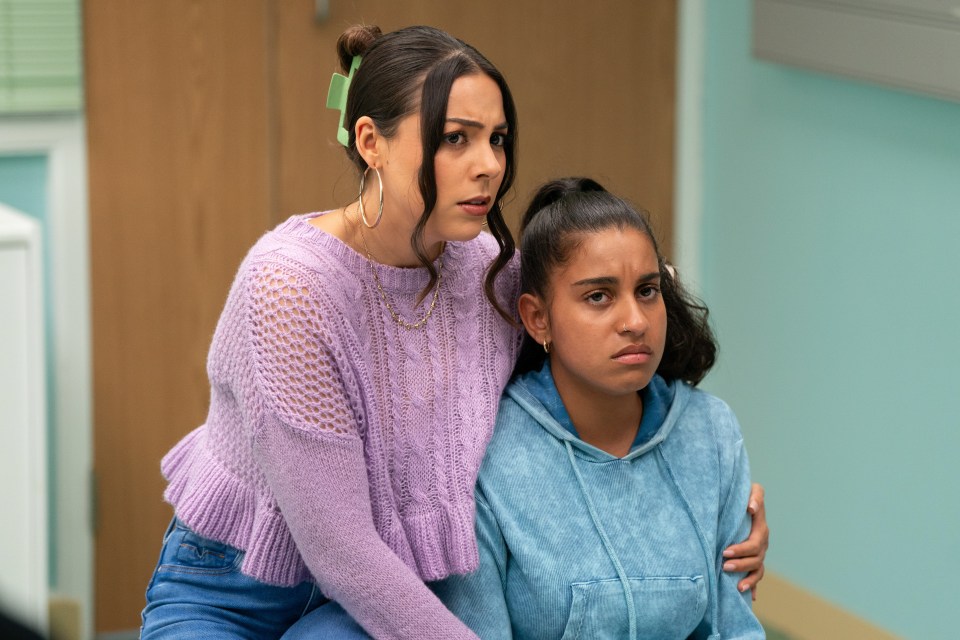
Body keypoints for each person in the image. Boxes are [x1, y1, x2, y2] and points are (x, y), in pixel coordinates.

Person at [140, 24, 767, 639]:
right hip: (234, 593)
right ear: (370, 142)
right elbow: (342, 552)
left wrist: (714, 498)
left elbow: (611, 296)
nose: (488, 166)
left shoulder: (483, 262)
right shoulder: (289, 287)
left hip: (389, 592)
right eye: (455, 139)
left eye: (497, 139)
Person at [431, 177, 766, 639]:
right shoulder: (484, 453)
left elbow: (737, 629)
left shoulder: (710, 431)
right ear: (537, 318)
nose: (634, 321)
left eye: (647, 291)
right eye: (598, 297)